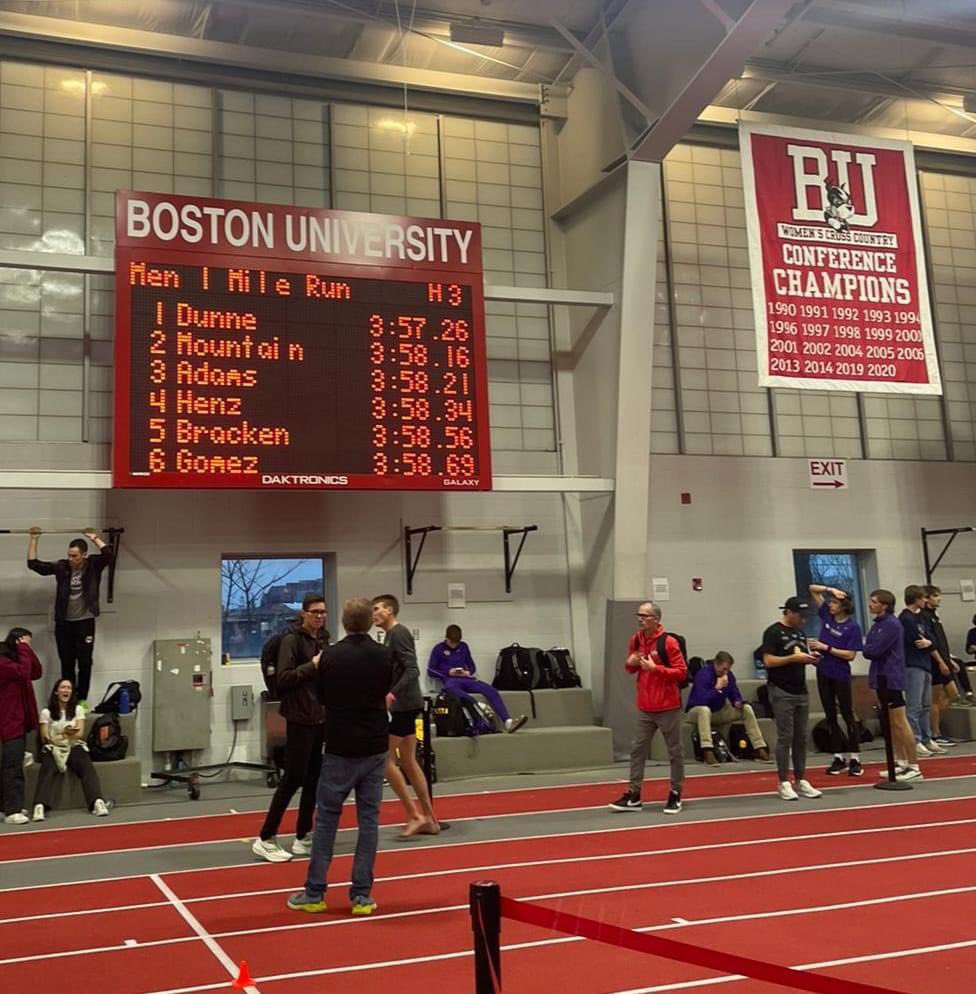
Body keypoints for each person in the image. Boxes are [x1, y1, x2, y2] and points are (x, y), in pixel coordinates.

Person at [287, 597, 393, 916]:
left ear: (345, 623)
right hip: (374, 746)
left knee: (327, 820)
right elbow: (387, 689)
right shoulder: (384, 655)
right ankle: (362, 895)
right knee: (369, 821)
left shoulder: (330, 657)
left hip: (340, 746)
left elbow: (321, 697)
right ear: (368, 622)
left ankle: (315, 892)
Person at [252, 593, 328, 863]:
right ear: (304, 613)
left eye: (323, 612)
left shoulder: (322, 639)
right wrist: (313, 666)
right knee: (293, 778)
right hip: (298, 717)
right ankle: (266, 837)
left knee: (313, 778)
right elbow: (284, 679)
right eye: (315, 612)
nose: (320, 616)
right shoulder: (291, 641)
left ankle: (302, 835)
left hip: (319, 717)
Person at [608, 601, 686, 815]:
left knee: (674, 752)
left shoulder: (668, 643)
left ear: (656, 619)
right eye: (639, 615)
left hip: (667, 705)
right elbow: (630, 668)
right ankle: (634, 794)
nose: (640, 619)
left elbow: (681, 672)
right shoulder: (636, 639)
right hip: (645, 706)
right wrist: (631, 662)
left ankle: (675, 792)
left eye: (644, 615)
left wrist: (656, 668)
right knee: (637, 750)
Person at [372, 594, 439, 838]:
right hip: (405, 704)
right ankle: (430, 819)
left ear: (389, 610)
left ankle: (415, 815)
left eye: (377, 609)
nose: (374, 614)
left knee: (384, 759)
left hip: (404, 705)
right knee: (408, 760)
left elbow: (412, 669)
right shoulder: (389, 635)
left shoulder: (399, 633)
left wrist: (392, 693)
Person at [27, 527, 113, 705]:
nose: (71, 559)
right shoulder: (62, 567)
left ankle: (82, 701)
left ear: (84, 555)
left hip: (85, 622)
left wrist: (94, 537)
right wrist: (34, 539)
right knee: (66, 663)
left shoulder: (93, 565)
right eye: (69, 555)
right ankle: (68, 701)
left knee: (85, 663)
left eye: (75, 556)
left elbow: (108, 554)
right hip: (64, 623)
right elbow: (34, 565)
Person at [761, 597, 823, 801]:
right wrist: (792, 659)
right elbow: (768, 661)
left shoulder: (799, 632)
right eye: (800, 616)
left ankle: (801, 778)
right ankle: (783, 781)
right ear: (789, 612)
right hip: (781, 690)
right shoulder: (773, 632)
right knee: (785, 736)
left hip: (800, 689)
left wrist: (811, 658)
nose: (803, 620)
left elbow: (801, 654)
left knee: (801, 737)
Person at [32, 679, 110, 820]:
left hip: (73, 746)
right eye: (63, 687)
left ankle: (97, 802)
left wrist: (62, 733)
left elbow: (79, 734)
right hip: (54, 747)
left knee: (86, 765)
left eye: (69, 688)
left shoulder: (78, 710)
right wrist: (61, 736)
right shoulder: (46, 712)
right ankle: (40, 806)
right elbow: (45, 737)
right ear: (56, 691)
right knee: (48, 767)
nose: (66, 690)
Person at [808, 584, 865, 776]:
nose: (831, 605)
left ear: (844, 606)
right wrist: (831, 590)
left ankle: (855, 758)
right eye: (831, 602)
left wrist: (826, 648)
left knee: (847, 714)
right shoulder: (826, 616)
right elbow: (812, 589)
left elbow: (850, 655)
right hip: (823, 671)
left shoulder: (852, 627)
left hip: (840, 673)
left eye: (835, 603)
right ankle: (838, 756)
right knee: (830, 715)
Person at [863, 588, 920, 781]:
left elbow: (873, 650)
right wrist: (869, 647)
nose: (870, 604)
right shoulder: (878, 624)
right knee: (891, 723)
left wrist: (869, 647)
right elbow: (868, 646)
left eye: (874, 601)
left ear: (884, 605)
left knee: (899, 722)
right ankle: (901, 761)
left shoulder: (891, 624)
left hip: (891, 677)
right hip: (880, 677)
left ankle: (914, 766)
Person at [427, 625, 527, 733]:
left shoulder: (464, 646)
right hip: (451, 681)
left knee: (491, 690)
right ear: (446, 638)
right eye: (452, 642)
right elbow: (431, 670)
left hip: (466, 679)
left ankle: (508, 722)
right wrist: (448, 672)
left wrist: (468, 672)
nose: (454, 645)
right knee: (465, 697)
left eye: (456, 643)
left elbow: (472, 666)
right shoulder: (438, 649)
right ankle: (480, 720)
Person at [684, 651, 771, 764]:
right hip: (696, 712)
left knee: (747, 709)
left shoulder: (728, 676)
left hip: (719, 711)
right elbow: (702, 700)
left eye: (728, 669)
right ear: (716, 663)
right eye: (724, 669)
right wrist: (717, 688)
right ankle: (707, 750)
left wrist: (737, 702)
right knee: (704, 710)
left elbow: (735, 694)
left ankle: (759, 747)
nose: (726, 672)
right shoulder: (703, 674)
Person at [0, 628, 42, 825]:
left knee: (11, 764)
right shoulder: (3, 662)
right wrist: (24, 648)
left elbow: (36, 671)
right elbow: (24, 672)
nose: (28, 647)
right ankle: (13, 810)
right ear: (16, 641)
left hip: (18, 722)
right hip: (9, 722)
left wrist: (26, 649)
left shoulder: (19, 659)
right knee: (12, 767)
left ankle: (6, 806)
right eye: (25, 642)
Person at [900, 585, 944, 757]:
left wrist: (929, 642)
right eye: (923, 598)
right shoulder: (906, 618)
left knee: (926, 704)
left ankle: (927, 738)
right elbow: (915, 639)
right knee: (914, 705)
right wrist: (926, 642)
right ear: (916, 599)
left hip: (925, 664)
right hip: (912, 664)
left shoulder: (921, 618)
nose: (925, 601)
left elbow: (932, 638)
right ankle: (915, 740)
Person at [922, 585, 959, 746]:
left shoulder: (935, 617)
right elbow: (931, 643)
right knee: (935, 699)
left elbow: (940, 641)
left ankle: (932, 722)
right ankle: (935, 733)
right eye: (936, 596)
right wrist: (940, 661)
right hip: (934, 663)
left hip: (944, 660)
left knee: (953, 694)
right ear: (927, 598)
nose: (939, 598)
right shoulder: (924, 617)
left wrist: (949, 659)